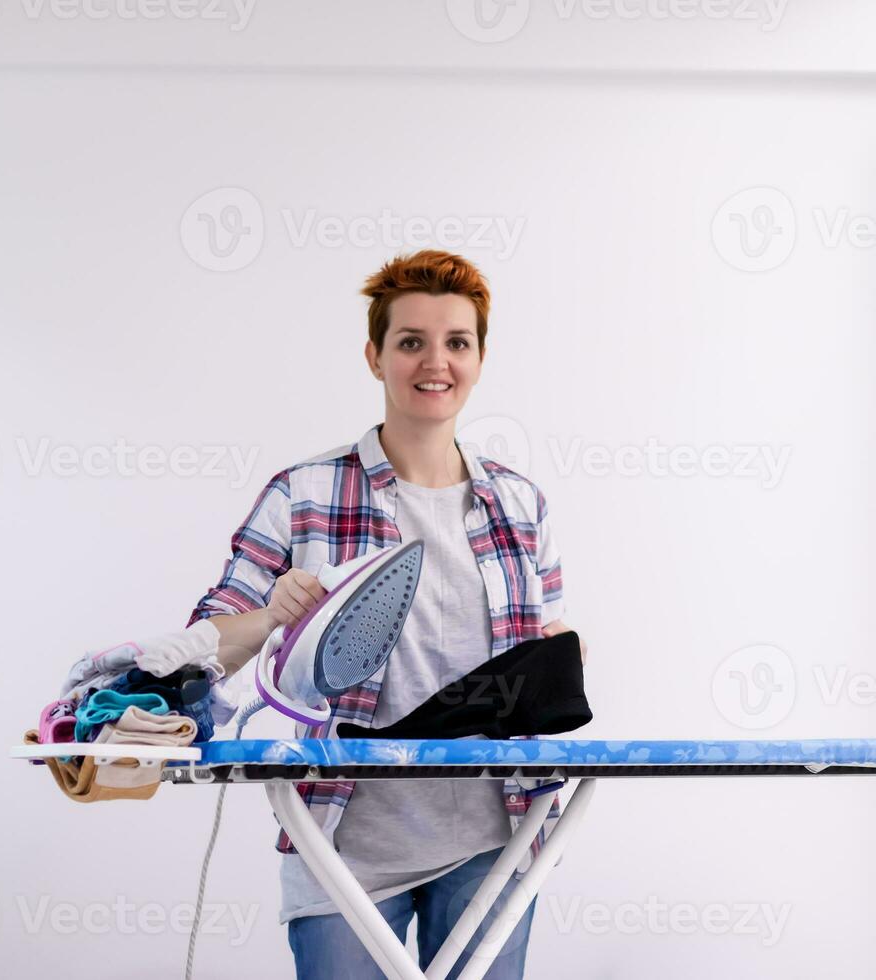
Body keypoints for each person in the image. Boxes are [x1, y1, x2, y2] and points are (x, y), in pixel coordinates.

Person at [186, 249, 586, 979]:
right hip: (342, 838)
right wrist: (271, 615)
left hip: (493, 837)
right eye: (410, 342)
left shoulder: (521, 505)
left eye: (455, 342)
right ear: (374, 356)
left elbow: (547, 649)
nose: (434, 362)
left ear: (479, 357)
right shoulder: (303, 493)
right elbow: (203, 645)